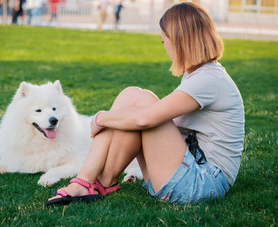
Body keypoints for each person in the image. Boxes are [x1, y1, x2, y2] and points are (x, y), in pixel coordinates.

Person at [45, 2, 244, 206]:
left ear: (179, 41)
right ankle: (96, 181)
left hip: (203, 182)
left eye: (164, 41)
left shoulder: (209, 79)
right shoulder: (200, 74)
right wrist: (122, 117)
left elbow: (144, 119)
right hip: (189, 168)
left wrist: (100, 118)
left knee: (142, 102)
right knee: (133, 96)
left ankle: (88, 181)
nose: (165, 47)